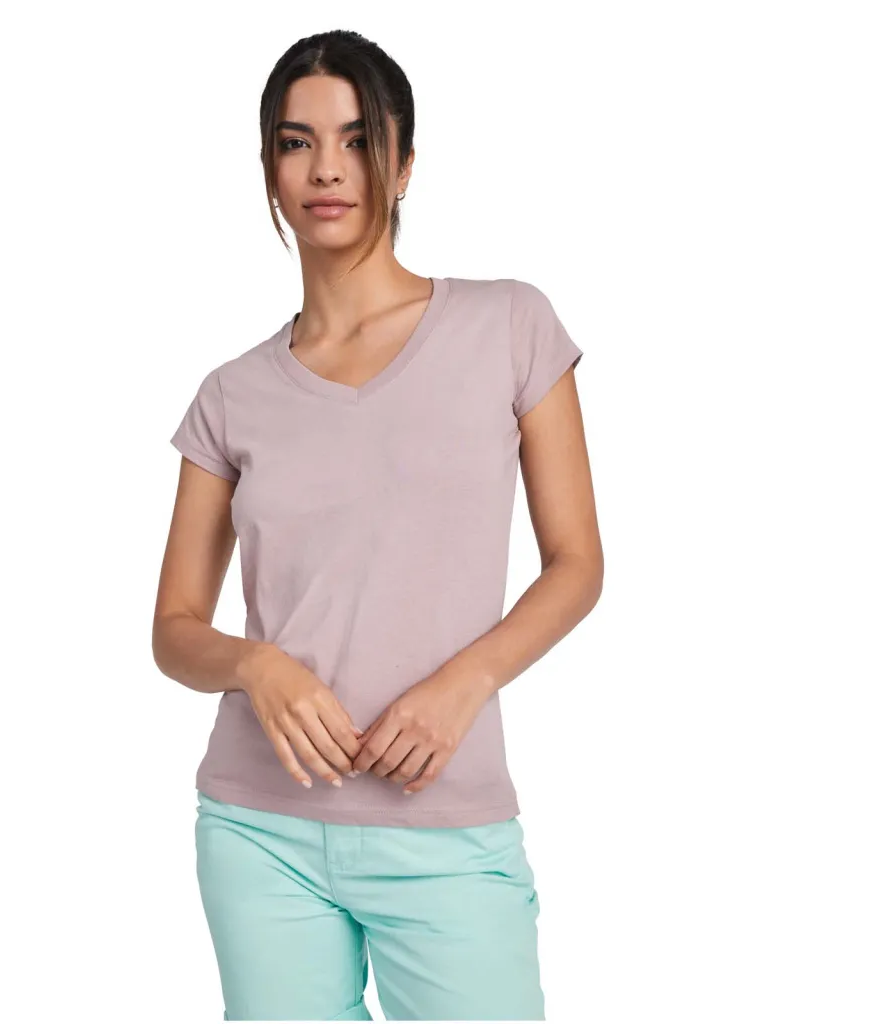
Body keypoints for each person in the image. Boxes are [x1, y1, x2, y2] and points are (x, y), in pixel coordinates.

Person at [152, 28, 603, 1023]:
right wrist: (255, 666)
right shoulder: (230, 395)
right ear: (269, 170)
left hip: (445, 824)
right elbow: (174, 628)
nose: (327, 168)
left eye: (357, 140)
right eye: (296, 141)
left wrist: (463, 684)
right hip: (259, 831)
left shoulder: (509, 325)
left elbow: (576, 564)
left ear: (402, 165)